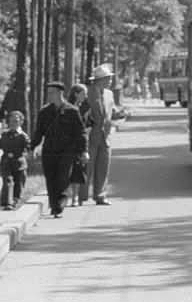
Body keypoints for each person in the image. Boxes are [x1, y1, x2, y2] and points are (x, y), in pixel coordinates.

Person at [30, 81, 89, 218]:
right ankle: (54, 205)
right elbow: (39, 132)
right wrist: (32, 147)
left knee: (63, 178)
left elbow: (80, 133)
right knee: (51, 179)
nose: (49, 95)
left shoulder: (72, 111)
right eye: (48, 93)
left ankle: (59, 206)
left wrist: (84, 151)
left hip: (67, 151)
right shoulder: (44, 112)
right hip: (49, 151)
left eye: (51, 92)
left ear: (60, 93)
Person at [81, 64, 125, 206]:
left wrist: (119, 114)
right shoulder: (88, 92)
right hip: (90, 135)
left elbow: (112, 111)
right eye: (108, 78)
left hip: (105, 136)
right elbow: (82, 113)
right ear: (99, 80)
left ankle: (100, 195)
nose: (110, 80)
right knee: (87, 166)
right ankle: (82, 195)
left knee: (103, 166)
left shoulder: (109, 94)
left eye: (110, 78)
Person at [0, 110, 30, 210]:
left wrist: (30, 151)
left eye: (15, 121)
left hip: (19, 163)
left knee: (18, 183)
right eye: (11, 121)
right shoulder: (5, 135)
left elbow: (28, 147)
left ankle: (15, 200)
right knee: (8, 181)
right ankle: (7, 203)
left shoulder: (23, 136)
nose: (13, 124)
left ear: (20, 122)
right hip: (6, 162)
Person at [66, 83, 90, 206]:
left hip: (80, 142)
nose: (85, 96)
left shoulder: (83, 107)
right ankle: (68, 196)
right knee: (68, 169)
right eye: (83, 94)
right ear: (76, 94)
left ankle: (75, 197)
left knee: (78, 169)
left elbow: (86, 123)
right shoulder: (68, 107)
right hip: (69, 143)